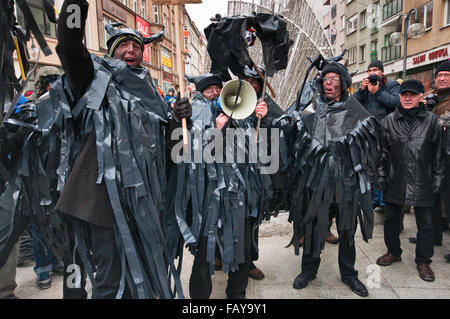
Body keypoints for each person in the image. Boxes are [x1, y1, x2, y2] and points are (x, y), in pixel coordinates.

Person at [0, 0, 191, 299]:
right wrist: (76, 3)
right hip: (102, 203)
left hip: (143, 205)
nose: (131, 50)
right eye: (124, 46)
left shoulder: (154, 96)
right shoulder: (92, 79)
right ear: (111, 51)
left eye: (137, 47)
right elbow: (69, 47)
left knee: (138, 278)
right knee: (110, 281)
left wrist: (180, 121)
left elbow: (169, 152)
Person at [284, 62, 385, 297]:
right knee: (312, 228)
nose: (329, 83)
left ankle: (349, 274)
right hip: (317, 180)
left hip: (346, 181)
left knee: (347, 229)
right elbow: (294, 129)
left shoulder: (355, 109)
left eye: (334, 79)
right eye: (325, 79)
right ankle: (308, 270)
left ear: (343, 83)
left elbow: (369, 144)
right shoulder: (313, 107)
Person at [180, 73, 269, 299]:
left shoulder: (241, 116)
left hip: (237, 197)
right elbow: (191, 158)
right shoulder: (193, 116)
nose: (214, 94)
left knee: (240, 250)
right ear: (200, 94)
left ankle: (237, 295)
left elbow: (259, 150)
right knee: (204, 254)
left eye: (218, 89)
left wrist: (262, 118)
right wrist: (214, 133)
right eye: (208, 91)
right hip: (208, 200)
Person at [376, 79, 444, 282]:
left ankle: (423, 261)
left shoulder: (432, 121)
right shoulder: (388, 121)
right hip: (395, 177)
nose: (407, 97)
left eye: (413, 95)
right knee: (391, 220)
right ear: (399, 96)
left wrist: (438, 178)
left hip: (423, 178)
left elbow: (439, 153)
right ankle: (393, 252)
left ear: (420, 97)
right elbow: (381, 153)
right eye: (404, 94)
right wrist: (380, 175)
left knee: (426, 224)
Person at [354, 59, 401, 215]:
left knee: (385, 167)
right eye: (369, 70)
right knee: (371, 166)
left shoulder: (392, 85)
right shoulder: (366, 88)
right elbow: (354, 104)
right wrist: (361, 90)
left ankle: (384, 201)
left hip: (388, 133)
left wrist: (378, 92)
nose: (372, 73)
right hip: (369, 133)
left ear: (382, 72)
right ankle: (373, 198)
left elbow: (395, 103)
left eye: (375, 69)